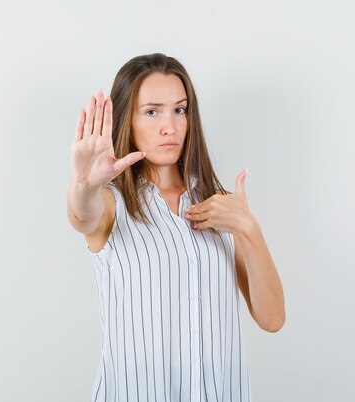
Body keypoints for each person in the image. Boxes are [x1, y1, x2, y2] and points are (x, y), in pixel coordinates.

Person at [67, 53, 285, 402]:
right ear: (127, 119)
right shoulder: (111, 204)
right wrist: (85, 184)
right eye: (152, 111)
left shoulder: (220, 205)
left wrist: (248, 227)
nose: (169, 126)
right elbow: (81, 215)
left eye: (179, 110)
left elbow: (272, 319)